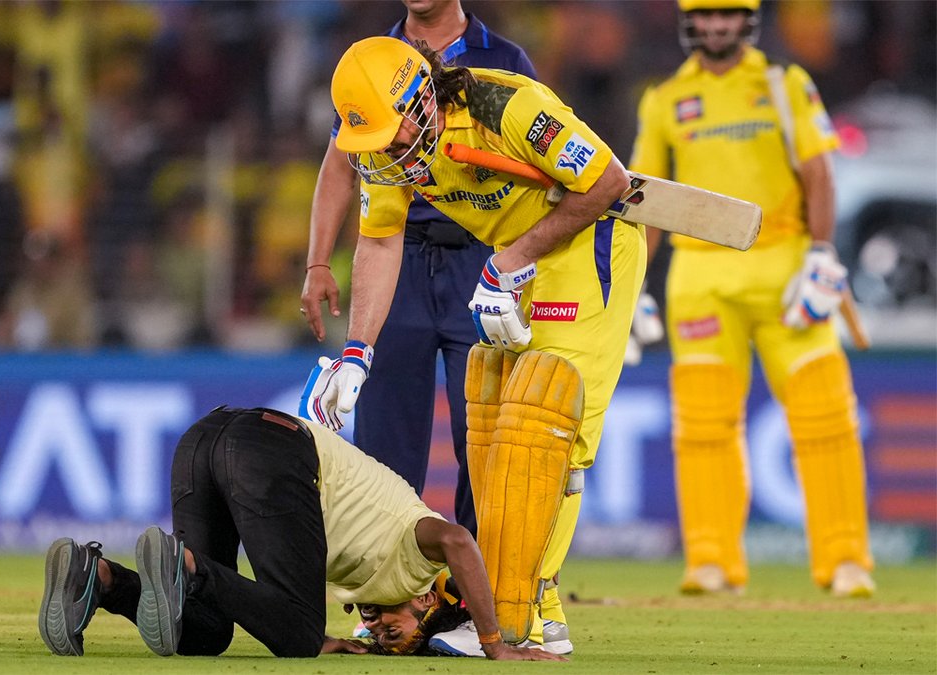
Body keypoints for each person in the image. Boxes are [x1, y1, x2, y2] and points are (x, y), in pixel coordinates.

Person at [300, 37, 645, 646]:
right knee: (491, 442)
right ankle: (538, 613)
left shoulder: (505, 105)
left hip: (592, 247)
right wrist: (358, 354)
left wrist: (510, 258)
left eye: (389, 134)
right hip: (518, 264)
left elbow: (608, 183)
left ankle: (524, 620)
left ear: (420, 99)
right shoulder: (393, 154)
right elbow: (381, 243)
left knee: (546, 433)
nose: (385, 155)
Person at [629, 0, 875, 597]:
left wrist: (822, 252)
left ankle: (845, 561)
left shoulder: (783, 82)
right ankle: (712, 561)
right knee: (703, 426)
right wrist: (631, 287)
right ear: (692, 23)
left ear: (747, 21)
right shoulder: (663, 98)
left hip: (787, 268)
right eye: (707, 17)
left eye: (729, 16)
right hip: (700, 276)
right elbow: (647, 200)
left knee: (825, 416)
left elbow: (818, 172)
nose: (717, 27)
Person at [37, 406, 565, 661]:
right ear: (427, 599)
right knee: (297, 637)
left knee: (201, 632)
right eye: (396, 628)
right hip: (271, 448)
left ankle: (99, 576)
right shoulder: (419, 557)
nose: (377, 627)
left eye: (379, 633)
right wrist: (496, 644)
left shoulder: (371, 584)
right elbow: (459, 542)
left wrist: (339, 637)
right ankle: (184, 564)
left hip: (203, 440)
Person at [300, 0, 536, 541]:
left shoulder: (504, 59)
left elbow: (539, 172)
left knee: (483, 434)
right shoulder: (375, 63)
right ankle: (387, 601)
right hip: (395, 256)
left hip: (481, 257)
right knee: (384, 439)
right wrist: (317, 260)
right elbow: (341, 162)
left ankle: (482, 598)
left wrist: (522, 267)